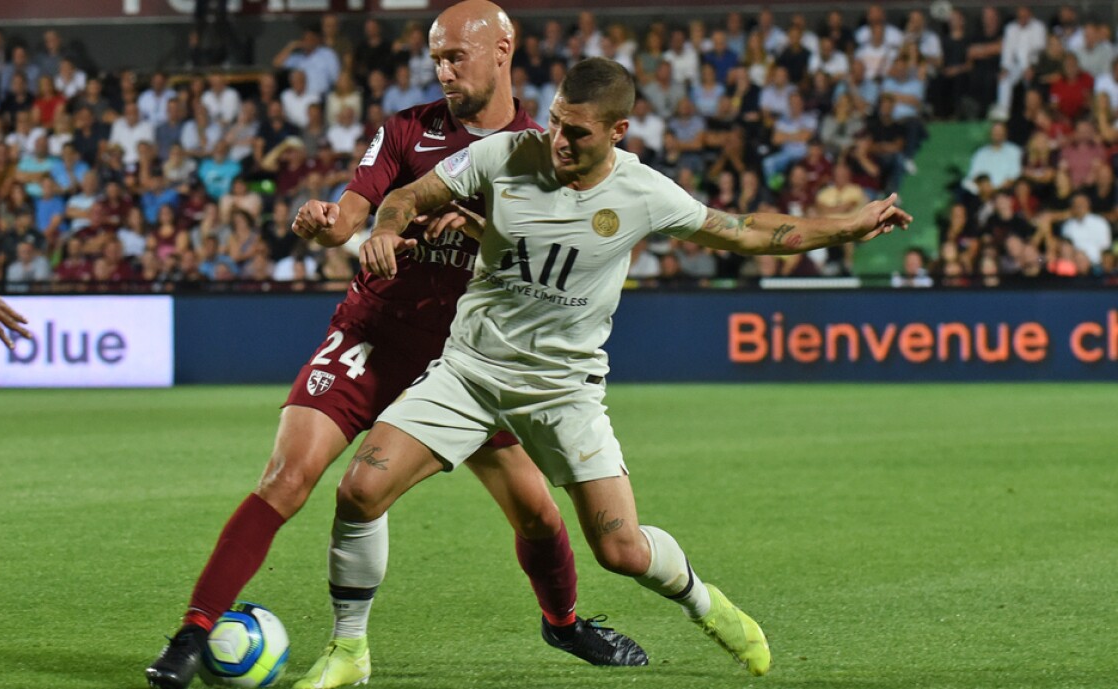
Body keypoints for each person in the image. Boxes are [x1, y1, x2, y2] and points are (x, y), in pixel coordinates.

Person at [335, 56, 911, 682]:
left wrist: (848, 228)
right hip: (470, 370)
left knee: (621, 550)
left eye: (577, 131)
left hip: (563, 391)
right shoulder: (505, 154)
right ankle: (348, 652)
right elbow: (410, 194)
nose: (557, 140)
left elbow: (746, 232)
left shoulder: (643, 192)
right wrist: (386, 229)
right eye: (555, 122)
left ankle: (706, 604)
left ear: (618, 132)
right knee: (360, 491)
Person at [143, 5, 645, 689]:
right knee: (287, 477)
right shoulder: (409, 130)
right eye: (436, 57)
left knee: (535, 507)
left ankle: (564, 622)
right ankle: (192, 632)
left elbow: (562, 253)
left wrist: (483, 230)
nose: (442, 71)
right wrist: (328, 222)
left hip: (466, 359)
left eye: (455, 57)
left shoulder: (544, 150)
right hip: (371, 332)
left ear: (502, 51)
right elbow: (355, 207)